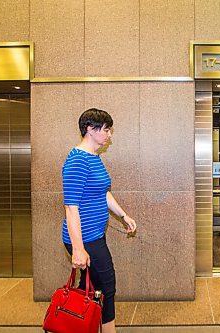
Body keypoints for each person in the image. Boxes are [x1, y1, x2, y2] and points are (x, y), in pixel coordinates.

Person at [62, 108, 137, 333]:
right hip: (84, 239)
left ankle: (84, 325)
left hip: (95, 235)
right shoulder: (77, 161)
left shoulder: (93, 158)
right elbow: (71, 207)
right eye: (106, 130)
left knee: (92, 288)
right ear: (90, 130)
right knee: (106, 287)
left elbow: (103, 192)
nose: (109, 135)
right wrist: (77, 249)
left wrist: (124, 215)